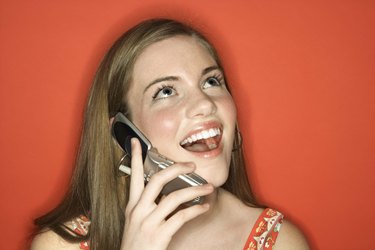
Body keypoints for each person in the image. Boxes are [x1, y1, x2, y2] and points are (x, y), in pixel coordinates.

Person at [31, 18, 309, 250]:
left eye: (211, 81)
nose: (205, 104)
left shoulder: (280, 241)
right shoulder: (58, 244)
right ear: (124, 134)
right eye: (165, 91)